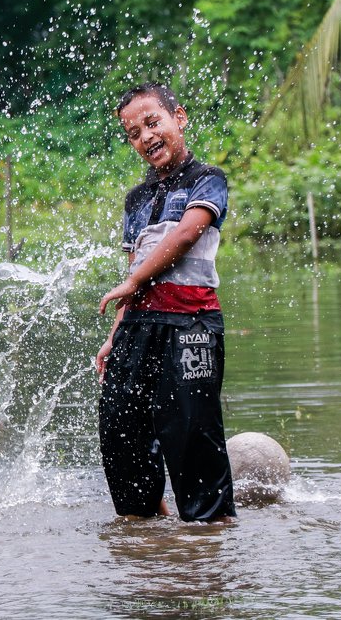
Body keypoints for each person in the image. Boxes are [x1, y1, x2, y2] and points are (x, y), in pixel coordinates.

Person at [96, 83, 236, 522]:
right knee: (122, 434)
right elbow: (133, 277)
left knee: (193, 437)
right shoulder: (135, 200)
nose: (146, 137)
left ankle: (211, 541)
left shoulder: (207, 179)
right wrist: (114, 335)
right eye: (134, 133)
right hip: (139, 327)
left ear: (180, 118)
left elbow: (185, 233)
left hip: (190, 324)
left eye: (153, 122)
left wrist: (134, 277)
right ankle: (146, 541)